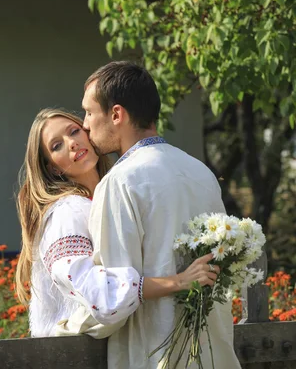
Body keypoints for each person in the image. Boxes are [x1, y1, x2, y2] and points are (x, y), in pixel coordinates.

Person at [82, 61, 240, 368]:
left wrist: (70, 322)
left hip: (157, 353)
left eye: (89, 112)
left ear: (116, 114)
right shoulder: (201, 171)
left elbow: (116, 294)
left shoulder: (119, 182)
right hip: (212, 352)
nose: (85, 124)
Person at [14, 108, 220, 339]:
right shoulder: (67, 212)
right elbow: (99, 293)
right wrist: (179, 281)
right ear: (52, 167)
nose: (71, 143)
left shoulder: (112, 193)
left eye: (74, 131)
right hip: (72, 356)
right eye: (56, 146)